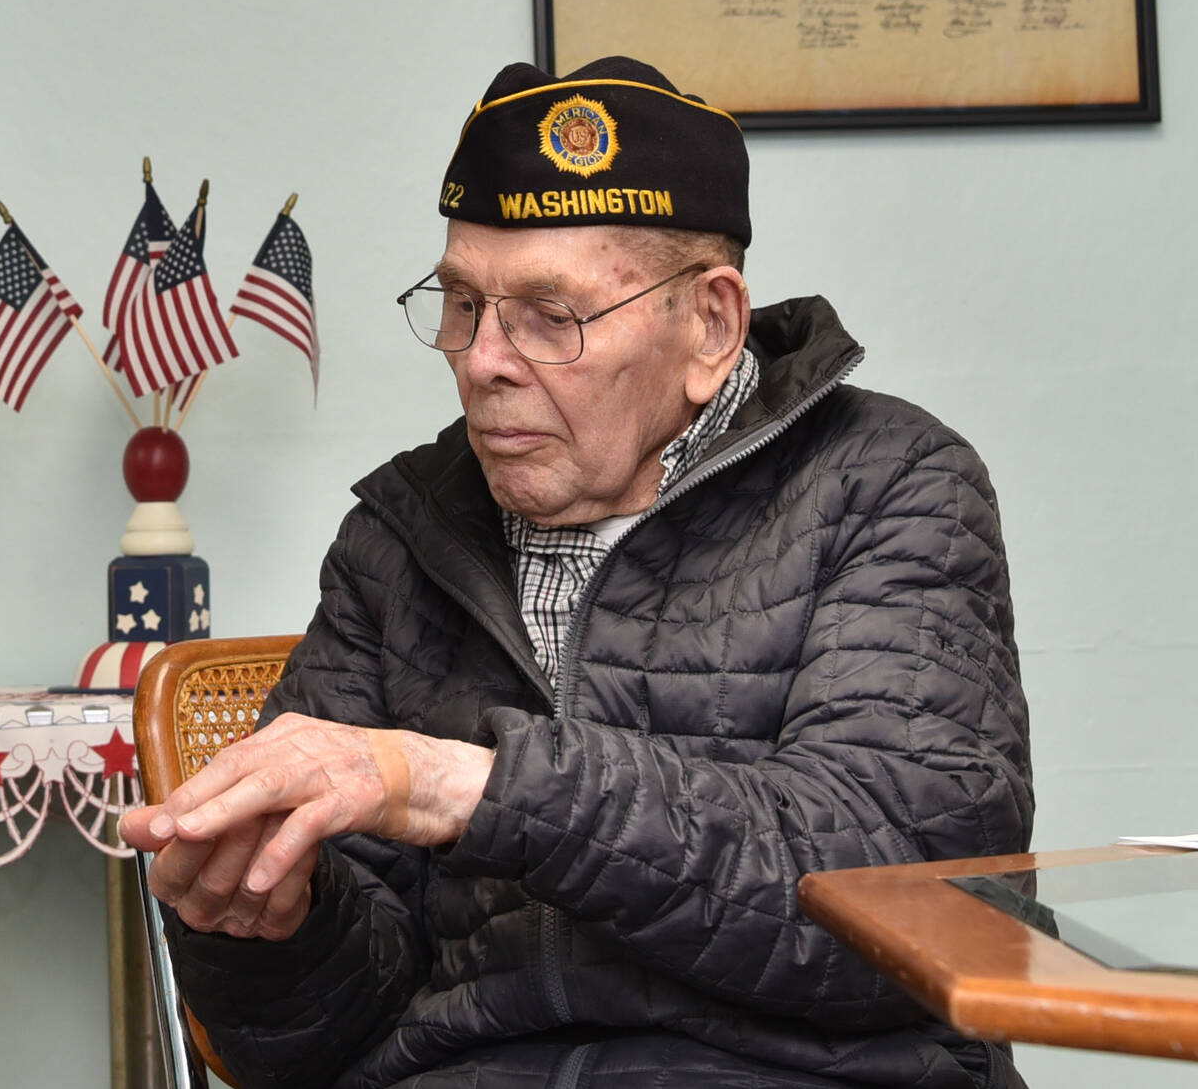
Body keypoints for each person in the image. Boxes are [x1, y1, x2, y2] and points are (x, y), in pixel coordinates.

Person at [123, 58, 1033, 1088]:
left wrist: (467, 785)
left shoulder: (886, 483)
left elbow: (910, 913)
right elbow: (306, 1045)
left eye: (549, 317)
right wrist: (271, 924)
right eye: (461, 303)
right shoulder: (397, 537)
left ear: (710, 325)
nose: (481, 359)